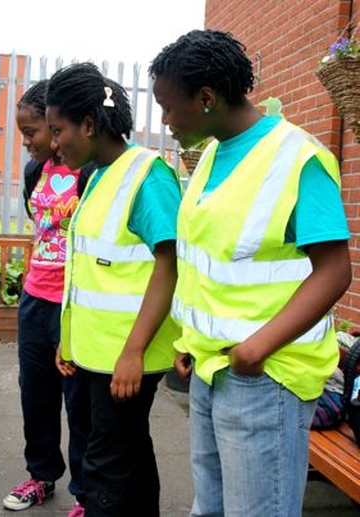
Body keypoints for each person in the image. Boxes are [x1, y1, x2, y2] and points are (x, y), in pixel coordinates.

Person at [148, 29, 352, 516]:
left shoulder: (298, 158)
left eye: (169, 107)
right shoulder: (213, 154)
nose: (165, 120)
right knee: (210, 510)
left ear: (206, 98)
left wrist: (254, 349)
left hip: (264, 374)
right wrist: (189, 341)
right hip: (211, 368)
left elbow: (335, 271)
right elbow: (210, 260)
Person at [46, 62, 182, 516]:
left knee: (104, 467)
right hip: (95, 354)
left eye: (57, 129)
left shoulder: (147, 175)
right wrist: (69, 341)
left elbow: (171, 262)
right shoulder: (100, 173)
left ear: (88, 124)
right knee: (128, 456)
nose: (53, 142)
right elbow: (91, 272)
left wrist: (133, 351)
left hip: (126, 358)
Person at [2, 80, 92, 515]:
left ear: (55, 126)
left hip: (75, 303)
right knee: (34, 393)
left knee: (78, 399)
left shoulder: (89, 170)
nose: (27, 142)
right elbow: (40, 226)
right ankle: (41, 476)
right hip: (36, 298)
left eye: (32, 131)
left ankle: (85, 492)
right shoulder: (34, 172)